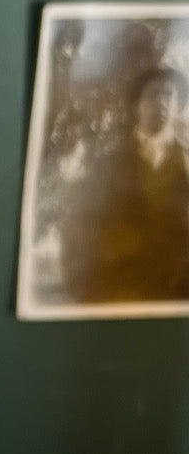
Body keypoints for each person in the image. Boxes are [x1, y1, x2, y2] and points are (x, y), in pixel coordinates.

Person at [61, 66, 189, 304]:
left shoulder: (186, 160)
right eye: (153, 94)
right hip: (123, 286)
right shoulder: (107, 164)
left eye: (168, 96)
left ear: (178, 106)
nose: (161, 103)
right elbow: (85, 226)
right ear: (137, 106)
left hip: (179, 289)